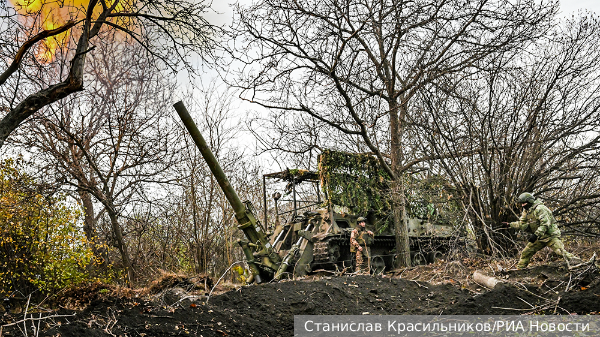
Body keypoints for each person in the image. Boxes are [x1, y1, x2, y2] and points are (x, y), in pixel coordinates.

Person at [506, 192, 578, 269]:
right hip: (540, 237)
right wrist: (509, 225)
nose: (523, 205)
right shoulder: (526, 211)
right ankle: (520, 269)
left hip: (550, 236)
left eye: (524, 203)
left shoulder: (540, 209)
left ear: (529, 201)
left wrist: (535, 235)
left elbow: (545, 225)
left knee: (560, 252)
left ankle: (580, 263)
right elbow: (522, 223)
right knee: (526, 252)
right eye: (522, 204)